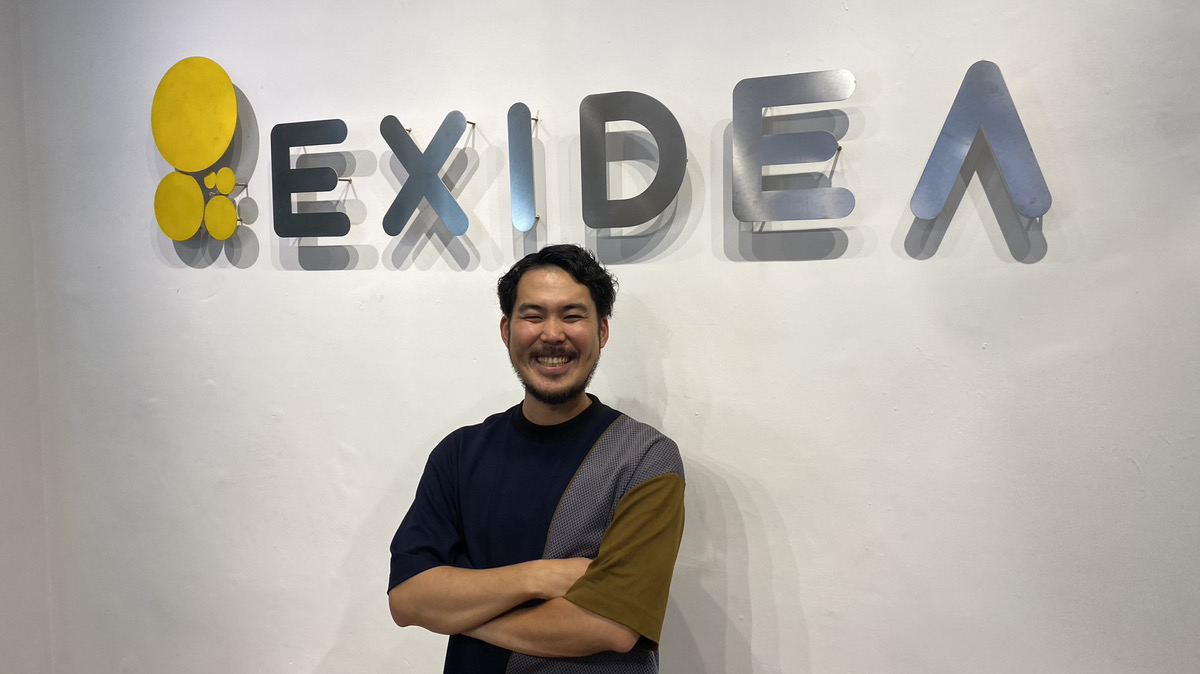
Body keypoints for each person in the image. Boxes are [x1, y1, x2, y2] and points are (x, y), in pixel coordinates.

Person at [387, 244, 685, 673]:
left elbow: (610, 626)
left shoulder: (645, 459)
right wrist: (540, 578)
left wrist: (459, 614)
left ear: (602, 331)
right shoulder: (459, 454)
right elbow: (407, 598)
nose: (552, 334)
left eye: (572, 315)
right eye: (533, 315)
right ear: (507, 330)